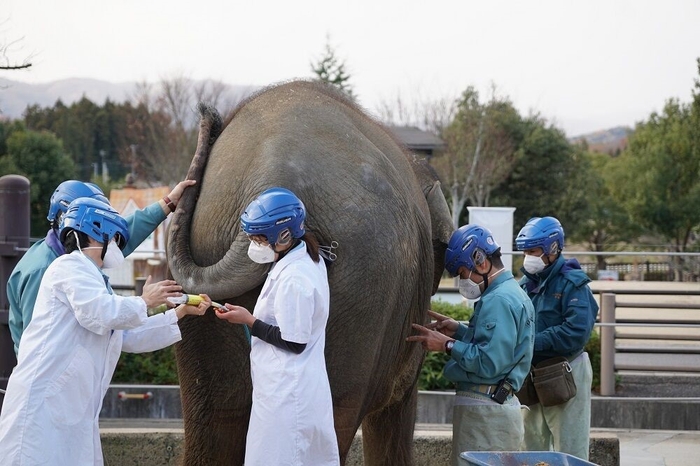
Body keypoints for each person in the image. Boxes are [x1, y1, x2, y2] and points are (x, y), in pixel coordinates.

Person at [0, 197, 210, 465]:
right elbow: (101, 313)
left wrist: (177, 315)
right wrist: (145, 301)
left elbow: (123, 335)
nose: (117, 247)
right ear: (98, 233)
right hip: (42, 409)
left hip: (68, 410)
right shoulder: (69, 267)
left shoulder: (92, 278)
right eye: (115, 240)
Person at [214, 187, 339, 466]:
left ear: (283, 236)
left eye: (258, 239)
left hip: (288, 396)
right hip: (288, 390)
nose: (254, 245)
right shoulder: (300, 259)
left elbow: (295, 342)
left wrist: (248, 320)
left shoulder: (295, 278)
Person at [6, 178, 196, 355]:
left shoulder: (79, 257)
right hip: (50, 384)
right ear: (83, 227)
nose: (113, 240)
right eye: (102, 228)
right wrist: (145, 301)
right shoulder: (45, 269)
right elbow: (104, 316)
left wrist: (168, 204)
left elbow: (120, 332)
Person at [407, 224, 534, 465]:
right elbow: (499, 347)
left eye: (464, 273)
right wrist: (460, 331)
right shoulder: (510, 292)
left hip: (487, 415)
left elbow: (488, 362)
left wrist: (447, 345)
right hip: (495, 409)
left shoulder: (498, 300)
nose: (463, 281)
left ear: (481, 262)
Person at [515, 216, 599, 460]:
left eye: (533, 251)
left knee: (570, 449)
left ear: (553, 248)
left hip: (566, 370)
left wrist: (529, 343)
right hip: (532, 375)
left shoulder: (575, 284)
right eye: (525, 252)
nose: (527, 257)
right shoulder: (524, 285)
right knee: (529, 448)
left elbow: (575, 333)